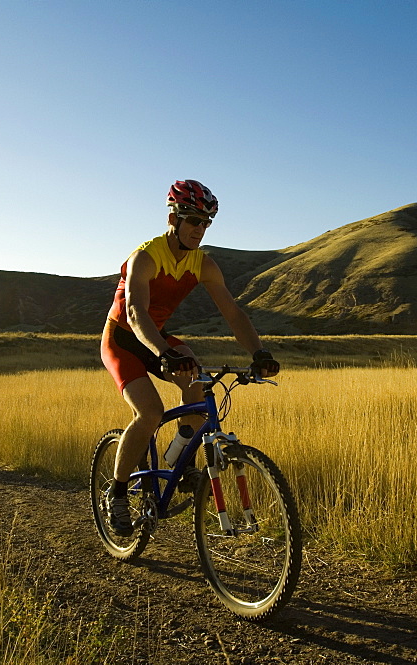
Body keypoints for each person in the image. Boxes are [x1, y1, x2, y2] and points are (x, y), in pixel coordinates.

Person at [100, 179, 280, 536]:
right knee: (149, 412)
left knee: (197, 388)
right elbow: (136, 312)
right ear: (174, 217)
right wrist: (163, 353)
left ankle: (177, 461)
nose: (200, 229)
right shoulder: (146, 258)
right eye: (194, 220)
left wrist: (259, 352)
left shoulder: (204, 265)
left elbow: (233, 315)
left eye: (206, 223)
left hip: (159, 339)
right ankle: (117, 493)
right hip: (123, 339)